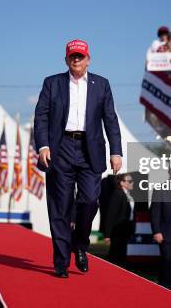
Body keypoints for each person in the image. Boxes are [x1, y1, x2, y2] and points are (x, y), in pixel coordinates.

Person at [34, 39, 122, 278]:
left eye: (80, 56)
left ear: (88, 59)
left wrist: (116, 151)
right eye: (72, 56)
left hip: (90, 150)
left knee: (91, 200)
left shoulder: (101, 85)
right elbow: (41, 116)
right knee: (60, 208)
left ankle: (80, 245)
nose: (76, 60)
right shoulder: (52, 83)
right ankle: (61, 262)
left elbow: (110, 119)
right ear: (66, 60)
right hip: (59, 149)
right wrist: (42, 146)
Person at [103, 174, 135, 267]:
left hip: (126, 228)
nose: (132, 183)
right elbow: (111, 215)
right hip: (117, 230)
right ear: (122, 183)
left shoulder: (128, 194)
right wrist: (107, 234)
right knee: (116, 256)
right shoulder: (117, 194)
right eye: (129, 181)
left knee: (121, 254)